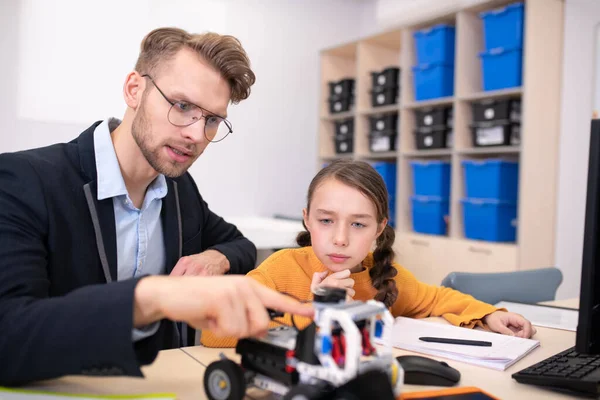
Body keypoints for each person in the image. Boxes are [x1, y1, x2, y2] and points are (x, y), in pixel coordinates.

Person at [0, 27, 313, 385]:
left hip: (160, 385)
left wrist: (215, 258)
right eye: (182, 106)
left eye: (212, 119)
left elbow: (239, 245)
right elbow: (8, 333)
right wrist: (154, 297)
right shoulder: (24, 180)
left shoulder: (179, 189)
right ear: (135, 89)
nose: (196, 135)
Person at [201, 159, 536, 347]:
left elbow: (436, 299)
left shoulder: (383, 276)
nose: (340, 239)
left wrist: (489, 314)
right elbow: (215, 332)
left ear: (379, 228)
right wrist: (314, 312)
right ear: (307, 218)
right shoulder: (280, 269)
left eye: (358, 224)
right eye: (326, 220)